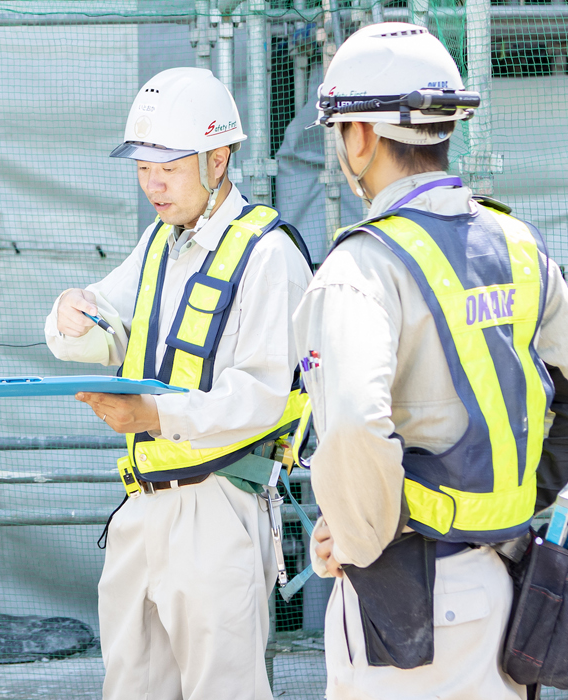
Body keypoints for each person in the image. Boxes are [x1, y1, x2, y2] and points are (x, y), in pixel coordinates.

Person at [296, 22, 568, 699]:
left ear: (360, 135)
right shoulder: (520, 248)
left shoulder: (362, 264)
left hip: (402, 603)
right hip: (505, 586)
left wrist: (356, 539)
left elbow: (357, 426)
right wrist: (518, 499)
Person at [44, 66, 312, 699]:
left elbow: (267, 398)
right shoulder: (159, 243)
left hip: (219, 506)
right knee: (130, 688)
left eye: (168, 166)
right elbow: (99, 326)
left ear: (218, 159)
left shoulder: (270, 253)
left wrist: (155, 417)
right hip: (142, 506)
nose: (153, 185)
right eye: (142, 168)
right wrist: (68, 311)